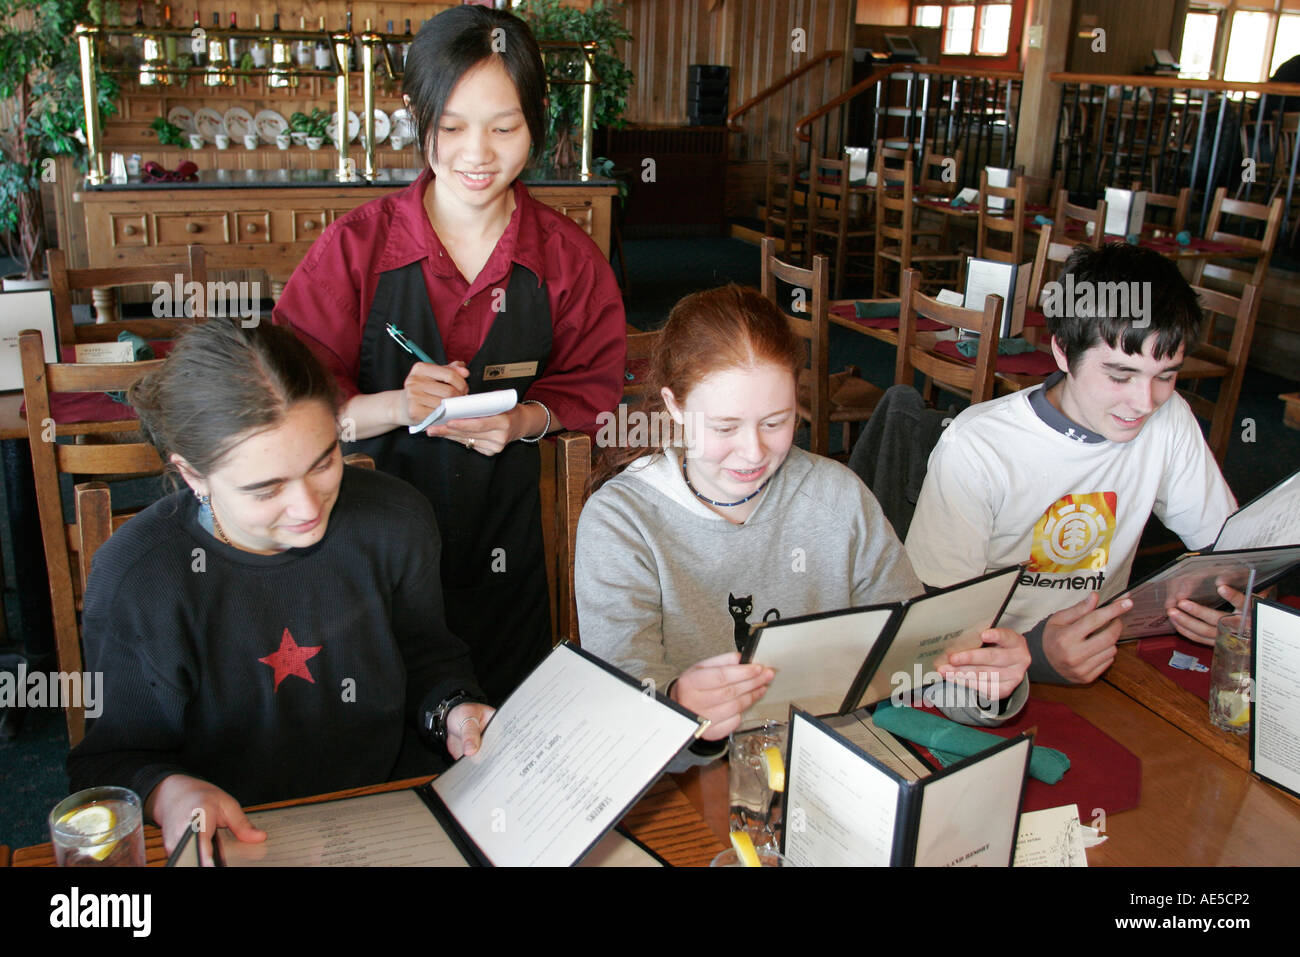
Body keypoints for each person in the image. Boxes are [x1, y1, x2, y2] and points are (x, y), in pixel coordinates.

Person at [273, 5, 625, 705]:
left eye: (505, 127)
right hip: (365, 551)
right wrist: (394, 405)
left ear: (536, 123)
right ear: (418, 117)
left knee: (505, 731)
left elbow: (593, 385)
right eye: (453, 127)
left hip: (515, 551)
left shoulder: (567, 259)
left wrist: (523, 420)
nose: (478, 154)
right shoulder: (356, 249)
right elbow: (285, 401)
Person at [67, 321, 494, 865]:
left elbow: (430, 662)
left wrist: (454, 712)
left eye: (323, 462)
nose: (308, 508)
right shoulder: (140, 576)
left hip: (390, 812)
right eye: (266, 488)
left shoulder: (395, 518)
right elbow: (110, 761)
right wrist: (169, 791)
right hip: (240, 836)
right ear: (192, 474)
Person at [576, 285, 1030, 761]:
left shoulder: (839, 497)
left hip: (835, 756)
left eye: (777, 421)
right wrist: (678, 707)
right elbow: (625, 702)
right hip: (689, 778)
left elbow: (910, 665)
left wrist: (983, 682)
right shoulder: (622, 521)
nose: (753, 452)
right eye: (725, 427)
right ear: (674, 407)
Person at [905, 243, 1243, 685]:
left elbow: (1230, 550)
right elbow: (929, 637)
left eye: (1166, 375)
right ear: (1063, 352)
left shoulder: (1168, 417)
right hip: (988, 673)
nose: (1144, 403)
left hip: (1105, 658)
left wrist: (1233, 601)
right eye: (1119, 375)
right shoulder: (978, 447)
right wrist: (1035, 653)